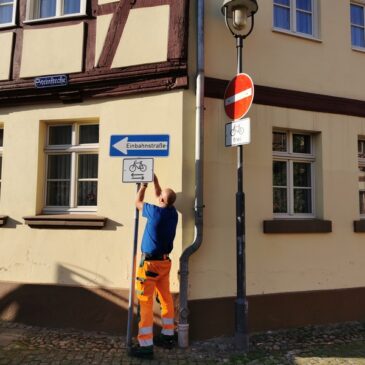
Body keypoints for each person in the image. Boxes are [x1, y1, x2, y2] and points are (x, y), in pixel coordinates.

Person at [129, 174, 178, 359]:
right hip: (164, 264)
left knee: (146, 304)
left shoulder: (154, 212)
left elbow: (138, 202)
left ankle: (145, 346)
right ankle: (168, 336)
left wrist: (143, 186)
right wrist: (156, 182)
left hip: (149, 265)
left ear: (162, 200)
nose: (158, 197)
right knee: (166, 299)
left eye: (160, 197)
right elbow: (161, 195)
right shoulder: (172, 214)